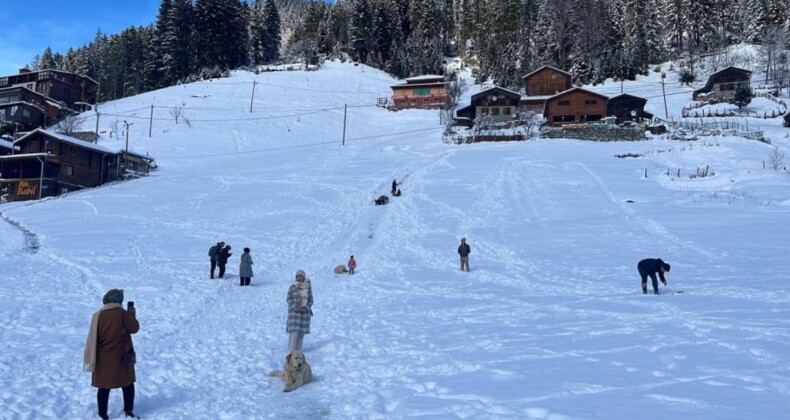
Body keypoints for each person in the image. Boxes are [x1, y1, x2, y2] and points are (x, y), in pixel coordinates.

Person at [83, 289, 140, 419]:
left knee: (104, 387)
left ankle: (102, 414)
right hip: (123, 357)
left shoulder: (97, 315)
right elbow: (134, 328)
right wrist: (132, 315)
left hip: (103, 358)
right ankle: (128, 411)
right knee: (128, 385)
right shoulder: (123, 314)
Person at [286, 270, 313, 351]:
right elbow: (288, 299)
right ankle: (291, 351)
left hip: (304, 314)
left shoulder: (308, 288)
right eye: (297, 276)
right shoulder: (292, 287)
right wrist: (296, 307)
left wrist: (306, 308)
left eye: (300, 276)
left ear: (304, 277)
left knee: (301, 334)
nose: (298, 278)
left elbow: (311, 300)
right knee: (293, 333)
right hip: (294, 314)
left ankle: (298, 351)